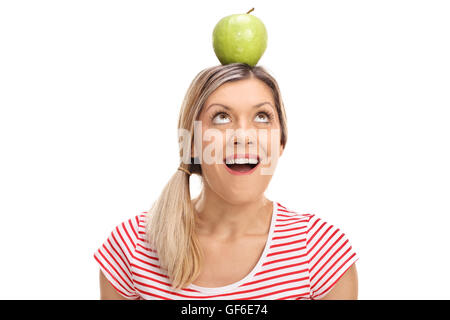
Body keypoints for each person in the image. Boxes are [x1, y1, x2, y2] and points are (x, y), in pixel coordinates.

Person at [93, 63, 359, 300]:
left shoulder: (322, 251)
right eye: (222, 117)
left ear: (281, 143)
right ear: (192, 143)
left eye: (262, 117)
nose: (243, 136)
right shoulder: (131, 245)